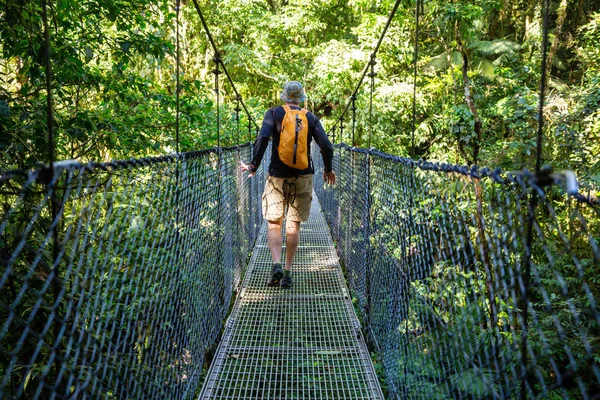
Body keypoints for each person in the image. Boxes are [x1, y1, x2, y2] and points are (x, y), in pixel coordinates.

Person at [240, 81, 336, 288]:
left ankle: (275, 263)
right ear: (302, 98)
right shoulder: (310, 117)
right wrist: (328, 169)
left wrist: (253, 165)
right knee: (293, 225)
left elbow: (263, 138)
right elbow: (326, 146)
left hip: (277, 176)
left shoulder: (274, 113)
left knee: (275, 223)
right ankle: (288, 271)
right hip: (303, 177)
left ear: (284, 97)